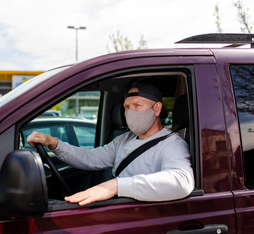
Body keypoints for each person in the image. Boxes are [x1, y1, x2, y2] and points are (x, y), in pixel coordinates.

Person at [27, 82, 194, 206]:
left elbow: (181, 181)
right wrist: (54, 143)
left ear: (156, 109)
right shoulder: (125, 139)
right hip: (118, 210)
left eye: (137, 105)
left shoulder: (172, 144)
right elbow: (91, 158)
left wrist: (115, 186)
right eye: (127, 107)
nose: (130, 111)